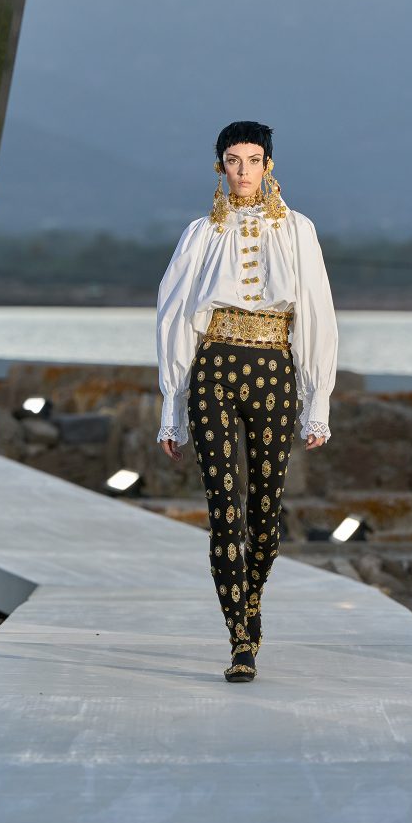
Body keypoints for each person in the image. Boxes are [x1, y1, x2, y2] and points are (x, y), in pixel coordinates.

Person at [155, 121, 338, 683]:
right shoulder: (200, 234)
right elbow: (175, 317)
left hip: (274, 370)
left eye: (253, 160)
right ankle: (240, 639)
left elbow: (317, 312)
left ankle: (251, 606)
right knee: (223, 510)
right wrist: (171, 409)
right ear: (220, 166)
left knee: (264, 511)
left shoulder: (298, 230)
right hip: (214, 368)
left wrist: (318, 401)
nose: (243, 170)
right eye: (233, 160)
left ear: (268, 165)